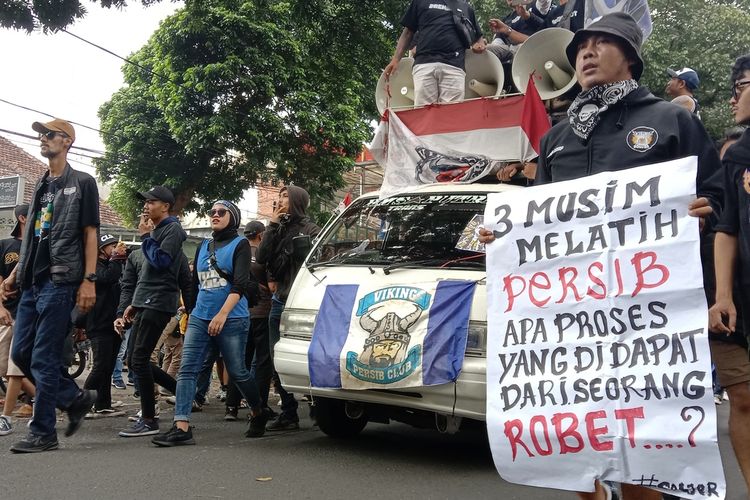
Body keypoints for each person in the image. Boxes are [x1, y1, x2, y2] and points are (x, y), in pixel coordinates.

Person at [479, 13, 722, 499]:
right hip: (574, 317)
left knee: (645, 439)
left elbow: (718, 195)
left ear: (630, 56)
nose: (586, 53)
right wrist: (502, 237)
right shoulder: (557, 138)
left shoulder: (670, 119)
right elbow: (539, 221)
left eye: (600, 44)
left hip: (647, 316)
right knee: (578, 440)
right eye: (580, 47)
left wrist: (706, 209)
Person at [5, 119, 99, 453]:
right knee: (21, 353)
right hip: (32, 282)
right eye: (40, 135)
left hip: (61, 281)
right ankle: (74, 399)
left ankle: (43, 432)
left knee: (43, 357)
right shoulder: (41, 186)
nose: (42, 140)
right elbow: (31, 236)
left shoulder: (83, 183)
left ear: (68, 141)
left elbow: (90, 234)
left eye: (49, 135)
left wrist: (89, 280)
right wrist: (14, 276)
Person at [151, 201, 269, 446]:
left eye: (221, 212)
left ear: (233, 217)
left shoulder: (241, 244)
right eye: (212, 212)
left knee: (237, 371)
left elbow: (239, 284)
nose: (215, 215)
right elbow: (194, 283)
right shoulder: (204, 245)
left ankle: (258, 411)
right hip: (200, 318)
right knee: (188, 368)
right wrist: (193, 312)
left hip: (232, 318)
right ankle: (181, 425)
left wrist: (222, 314)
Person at [708, 53, 750, 493]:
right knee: (744, 397)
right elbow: (728, 227)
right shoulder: (739, 155)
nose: (734, 97)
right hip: (740, 301)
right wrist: (723, 296)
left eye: (741, 86)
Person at [117, 186, 186, 438]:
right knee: (135, 360)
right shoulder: (158, 230)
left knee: (139, 360)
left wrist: (146, 238)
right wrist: (135, 302)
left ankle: (149, 419)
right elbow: (147, 273)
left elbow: (162, 262)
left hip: (158, 301)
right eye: (145, 202)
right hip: (146, 300)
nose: (146, 206)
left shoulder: (173, 230)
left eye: (151, 202)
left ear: (165, 206)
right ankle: (183, 392)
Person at [257, 186, 321, 431]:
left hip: (303, 303)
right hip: (280, 301)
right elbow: (262, 257)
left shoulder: (311, 229)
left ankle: (317, 404)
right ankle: (288, 411)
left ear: (297, 201)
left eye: (285, 196)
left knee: (307, 357)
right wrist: (272, 224)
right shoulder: (277, 228)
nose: (280, 200)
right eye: (280, 195)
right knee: (277, 359)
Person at [384, 0, 486, 107]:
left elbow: (478, 39)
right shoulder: (420, 2)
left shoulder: (466, 8)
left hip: (454, 67)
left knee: (451, 115)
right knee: (423, 113)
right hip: (424, 65)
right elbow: (408, 32)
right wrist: (396, 59)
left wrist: (479, 46)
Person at [224, 221, 273, 421]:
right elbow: (273, 286)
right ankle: (258, 406)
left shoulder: (237, 254)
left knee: (240, 361)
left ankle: (231, 407)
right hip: (262, 313)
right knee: (262, 362)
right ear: (261, 236)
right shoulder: (264, 256)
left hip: (239, 313)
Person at [81, 236, 127, 418]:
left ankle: (102, 404)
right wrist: (116, 258)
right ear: (101, 249)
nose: (116, 248)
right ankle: (82, 404)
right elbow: (109, 278)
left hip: (113, 323)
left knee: (107, 366)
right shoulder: (93, 267)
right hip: (98, 323)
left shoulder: (112, 264)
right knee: (100, 365)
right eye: (112, 246)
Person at [0, 205, 36, 436]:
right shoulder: (5, 245)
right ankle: (48, 400)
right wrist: (0, 306)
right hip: (8, 314)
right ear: (23, 218)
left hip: (30, 313)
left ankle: (7, 418)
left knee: (15, 367)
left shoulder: (40, 245)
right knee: (6, 368)